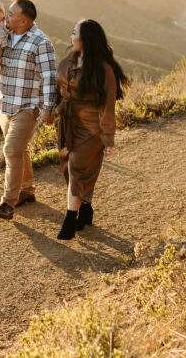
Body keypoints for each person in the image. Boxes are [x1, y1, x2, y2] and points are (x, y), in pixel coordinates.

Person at [0, 0, 57, 220]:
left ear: (23, 21)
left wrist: (48, 109)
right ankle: (27, 192)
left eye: (10, 14)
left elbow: (50, 78)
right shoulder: (5, 34)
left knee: (11, 150)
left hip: (27, 106)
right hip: (5, 104)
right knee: (20, 151)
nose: (4, 16)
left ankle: (7, 203)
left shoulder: (41, 43)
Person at [54, 19, 129, 240]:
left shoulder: (104, 69)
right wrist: (51, 110)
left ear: (85, 38)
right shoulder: (70, 58)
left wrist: (108, 138)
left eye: (75, 33)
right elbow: (59, 86)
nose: (71, 36)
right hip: (67, 122)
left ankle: (69, 219)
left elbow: (107, 106)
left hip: (91, 129)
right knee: (69, 169)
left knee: (78, 170)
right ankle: (86, 208)